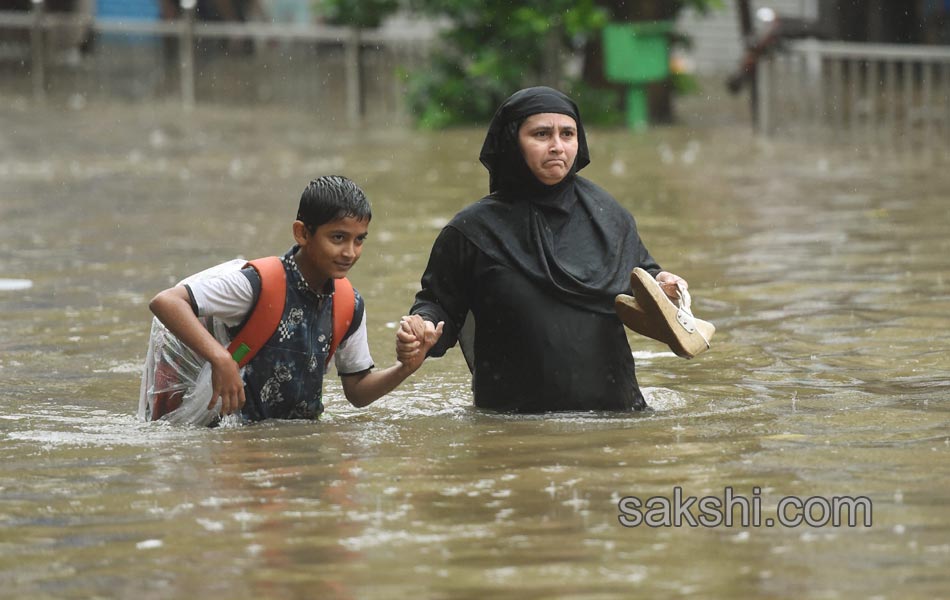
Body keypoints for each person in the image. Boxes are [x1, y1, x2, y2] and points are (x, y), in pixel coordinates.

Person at [397, 86, 687, 413]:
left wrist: (666, 286)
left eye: (568, 134)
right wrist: (420, 329)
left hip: (616, 423)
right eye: (541, 134)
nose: (557, 146)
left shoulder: (610, 217)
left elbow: (642, 279)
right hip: (515, 431)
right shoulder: (472, 231)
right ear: (511, 141)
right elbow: (438, 307)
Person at [146, 175, 441, 423]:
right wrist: (221, 358)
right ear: (302, 233)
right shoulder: (257, 285)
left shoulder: (348, 305)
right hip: (229, 443)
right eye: (338, 237)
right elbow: (166, 302)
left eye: (359, 239)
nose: (350, 252)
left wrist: (405, 368)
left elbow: (358, 391)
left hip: (294, 445)